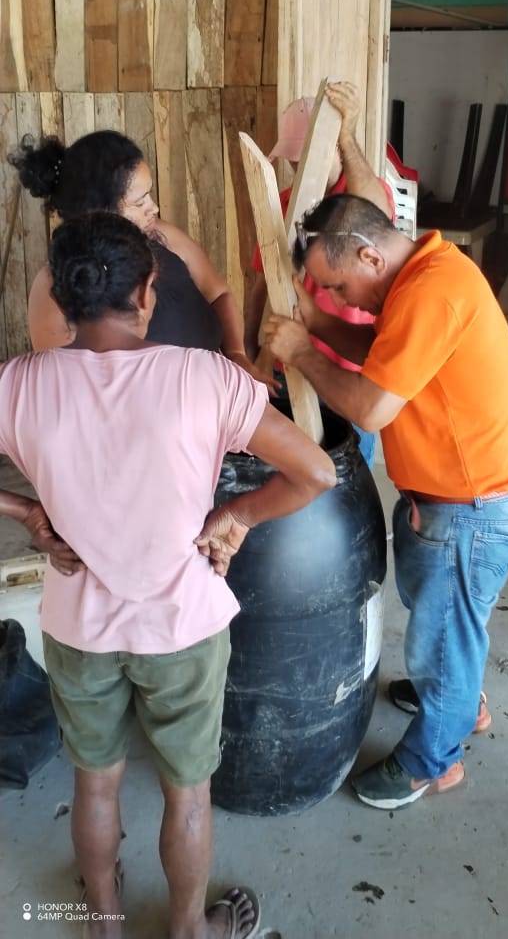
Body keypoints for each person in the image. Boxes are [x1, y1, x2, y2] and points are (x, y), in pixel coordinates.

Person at [0, 211, 336, 938]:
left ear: (60, 297)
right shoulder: (203, 377)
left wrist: (27, 514)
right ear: (148, 292)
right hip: (183, 624)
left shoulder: (19, 384)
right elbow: (316, 471)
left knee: (96, 783)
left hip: (79, 626)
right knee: (188, 792)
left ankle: (103, 923)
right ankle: (189, 931)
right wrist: (237, 516)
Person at [263, 192, 508, 811]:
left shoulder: (433, 294)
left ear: (370, 257)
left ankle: (432, 762)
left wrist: (301, 352)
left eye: (339, 287)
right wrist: (315, 324)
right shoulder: (424, 276)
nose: (343, 300)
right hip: (455, 500)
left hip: (467, 510)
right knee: (450, 629)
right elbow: (380, 357)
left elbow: (370, 407)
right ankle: (460, 702)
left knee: (443, 636)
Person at [10, 129, 276, 393]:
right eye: (139, 202)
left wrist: (236, 355)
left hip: (218, 397)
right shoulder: (57, 287)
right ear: (99, 212)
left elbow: (218, 293)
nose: (154, 208)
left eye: (149, 194)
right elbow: (70, 389)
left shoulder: (162, 237)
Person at [244, 82, 394, 468]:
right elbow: (261, 283)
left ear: (334, 149)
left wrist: (347, 137)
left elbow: (375, 213)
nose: (297, 168)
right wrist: (250, 352)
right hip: (288, 365)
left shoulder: (360, 196)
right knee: (294, 476)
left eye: (304, 158)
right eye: (292, 160)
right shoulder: (282, 203)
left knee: (348, 477)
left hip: (348, 370)